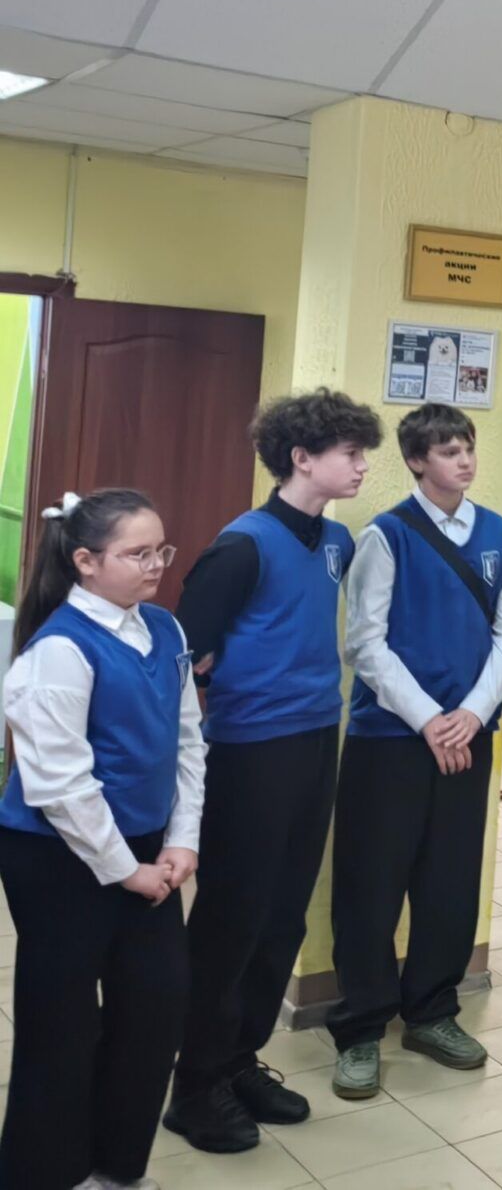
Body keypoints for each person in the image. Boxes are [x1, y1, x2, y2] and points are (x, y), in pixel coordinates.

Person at [164, 389, 383, 1152]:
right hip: (250, 751)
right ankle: (194, 1086)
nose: (361, 466)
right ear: (301, 458)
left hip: (317, 737)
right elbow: (184, 656)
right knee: (233, 917)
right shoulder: (242, 546)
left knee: (284, 913)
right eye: (350, 453)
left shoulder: (337, 541)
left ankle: (237, 1062)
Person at [0, 490, 204, 1190]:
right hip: (57, 856)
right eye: (136, 554)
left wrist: (182, 839)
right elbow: (61, 786)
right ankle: (43, 1174)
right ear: (86, 561)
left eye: (161, 550)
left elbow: (187, 742)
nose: (156, 565)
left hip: (145, 849)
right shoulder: (59, 650)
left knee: (155, 1008)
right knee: (60, 1026)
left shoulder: (165, 630)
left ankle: (117, 1169)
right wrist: (126, 870)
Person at [326, 404, 502, 1097]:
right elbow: (365, 642)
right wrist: (430, 720)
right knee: (371, 885)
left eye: (467, 448)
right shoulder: (386, 536)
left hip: (468, 736)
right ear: (416, 462)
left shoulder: (498, 534)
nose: (463, 462)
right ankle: (360, 1027)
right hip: (392, 740)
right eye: (447, 451)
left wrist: (470, 715)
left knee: (449, 881)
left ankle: (433, 1013)